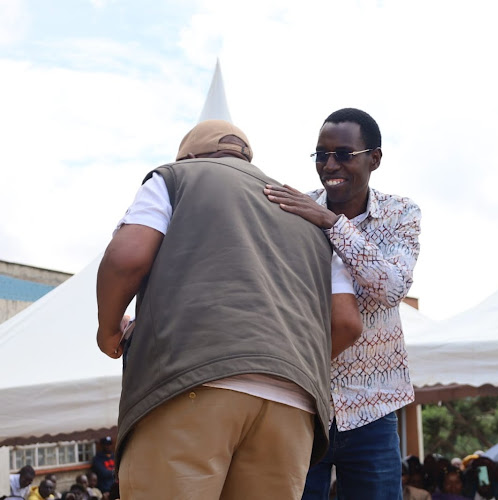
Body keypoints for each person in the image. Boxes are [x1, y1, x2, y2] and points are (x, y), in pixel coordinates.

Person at [96, 119, 362, 499]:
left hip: (191, 381)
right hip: (293, 402)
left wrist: (108, 331)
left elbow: (126, 257)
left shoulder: (177, 177)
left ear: (189, 155)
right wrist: (286, 358)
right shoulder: (306, 216)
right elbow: (348, 323)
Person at [265, 107, 421, 500]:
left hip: (373, 409)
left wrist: (332, 224)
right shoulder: (293, 211)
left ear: (375, 158)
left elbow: (390, 289)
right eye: (321, 154)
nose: (329, 164)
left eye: (343, 154)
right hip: (302, 404)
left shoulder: (402, 214)